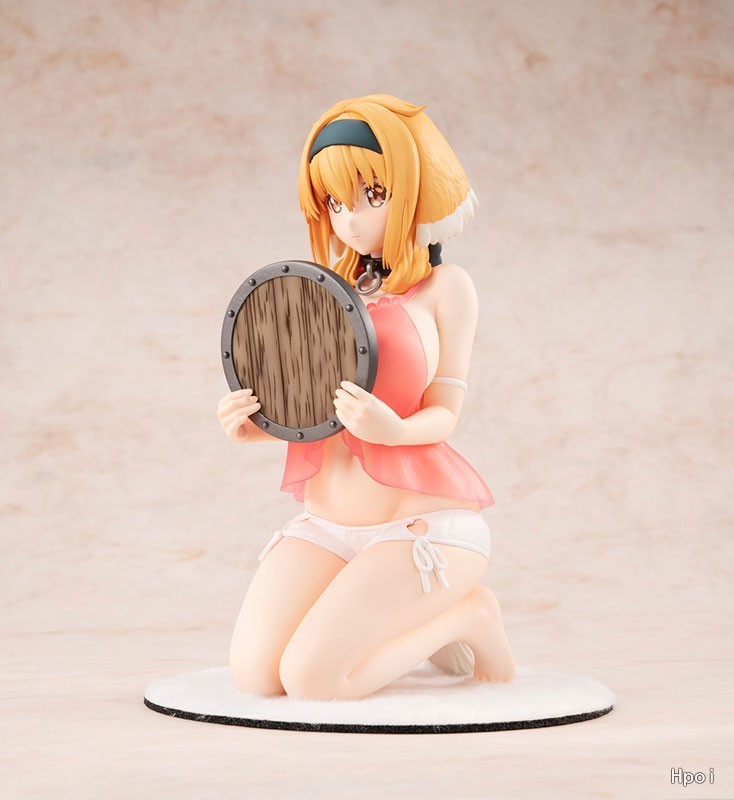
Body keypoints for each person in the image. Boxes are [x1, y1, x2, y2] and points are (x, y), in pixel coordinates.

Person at [217, 94, 516, 701]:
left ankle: (468, 617)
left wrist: (394, 430)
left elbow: (445, 412)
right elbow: (309, 400)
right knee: (256, 676)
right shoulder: (325, 290)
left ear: (411, 191)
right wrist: (260, 422)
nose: (349, 219)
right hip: (327, 523)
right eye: (333, 202)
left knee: (314, 679)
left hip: (419, 526)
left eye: (370, 195)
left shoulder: (447, 288)